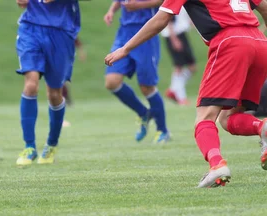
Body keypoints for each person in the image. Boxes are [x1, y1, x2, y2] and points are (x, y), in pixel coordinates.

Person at [105, 0, 267, 188]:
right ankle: (262, 127)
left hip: (230, 42)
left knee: (205, 117)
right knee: (228, 118)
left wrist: (125, 48)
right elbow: (264, 7)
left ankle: (217, 165)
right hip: (260, 43)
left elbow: (161, 19)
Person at [14, 0, 80, 166]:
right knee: (31, 85)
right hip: (31, 28)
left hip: (61, 32)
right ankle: (29, 147)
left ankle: (51, 144)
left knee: (54, 94)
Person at [103, 0, 170, 144]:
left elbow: (163, 2)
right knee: (111, 82)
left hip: (146, 32)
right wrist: (111, 11)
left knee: (146, 86)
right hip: (124, 32)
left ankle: (163, 130)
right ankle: (143, 113)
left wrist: (139, 5)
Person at [161, 8, 196, 106]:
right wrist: (174, 39)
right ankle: (181, 97)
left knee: (192, 67)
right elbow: (169, 20)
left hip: (181, 33)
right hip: (174, 35)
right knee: (178, 66)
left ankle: (173, 90)